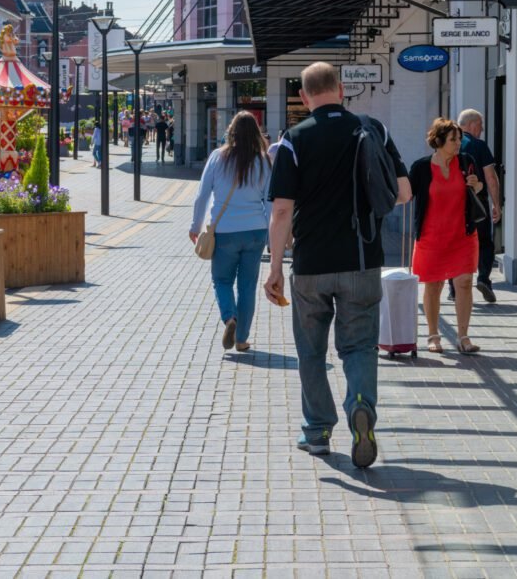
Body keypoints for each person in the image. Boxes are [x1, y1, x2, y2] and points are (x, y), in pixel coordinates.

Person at [264, 62, 411, 468]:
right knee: (359, 346)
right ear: (342, 89)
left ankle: (317, 432)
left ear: (303, 97)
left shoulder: (294, 139)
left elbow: (281, 210)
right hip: (362, 260)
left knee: (311, 351)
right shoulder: (373, 129)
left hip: (310, 264)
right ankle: (360, 405)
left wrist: (274, 267)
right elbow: (403, 192)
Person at [190, 111, 272, 353]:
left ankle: (229, 318)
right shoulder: (264, 161)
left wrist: (195, 226)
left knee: (222, 280)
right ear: (256, 133)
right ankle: (242, 339)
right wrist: (271, 237)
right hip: (256, 231)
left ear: (231, 132)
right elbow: (270, 202)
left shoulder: (218, 157)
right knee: (247, 286)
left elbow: (202, 195)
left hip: (225, 231)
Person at [410, 118, 484, 354]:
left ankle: (463, 337)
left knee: (464, 282)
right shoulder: (421, 168)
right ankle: (433, 335)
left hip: (462, 234)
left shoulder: (466, 162)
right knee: (434, 285)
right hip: (431, 237)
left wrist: (476, 185)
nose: (459, 143)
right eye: (453, 139)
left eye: (459, 139)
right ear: (439, 141)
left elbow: (478, 188)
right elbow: (407, 194)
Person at [447, 109, 502, 303]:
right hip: (477, 204)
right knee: (484, 242)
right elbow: (491, 178)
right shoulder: (479, 145)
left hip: (452, 205)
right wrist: (496, 205)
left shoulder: (446, 145)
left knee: (454, 244)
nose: (482, 129)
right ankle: (483, 278)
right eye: (481, 125)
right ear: (472, 125)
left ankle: (453, 288)